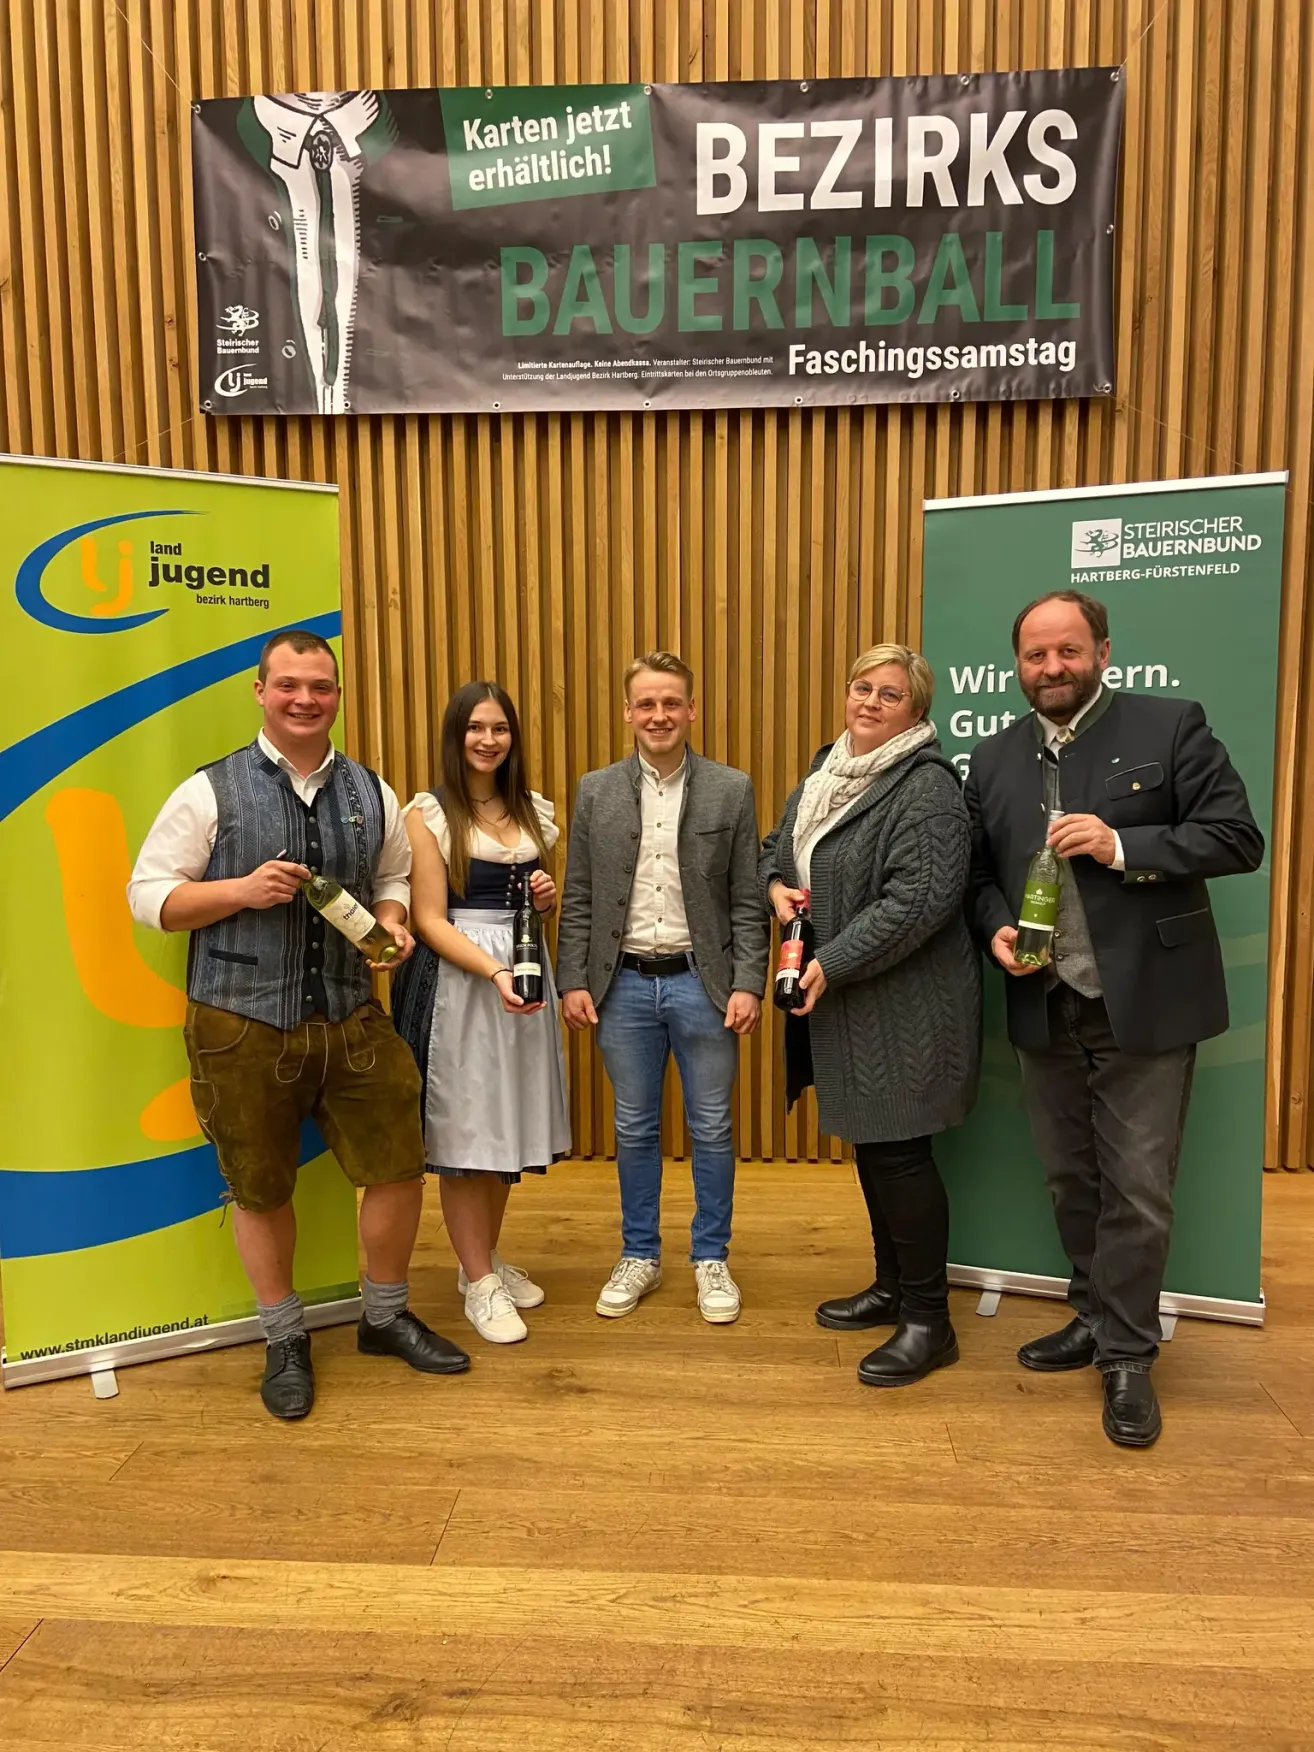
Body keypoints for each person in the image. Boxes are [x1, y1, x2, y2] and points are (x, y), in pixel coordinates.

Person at [127, 629, 470, 1421]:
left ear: (337, 695)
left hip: (353, 1016)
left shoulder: (371, 791)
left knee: (395, 1165)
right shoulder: (208, 791)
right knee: (260, 1184)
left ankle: (382, 1317)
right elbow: (149, 897)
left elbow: (390, 875)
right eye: (289, 685)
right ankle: (284, 1338)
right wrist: (240, 891)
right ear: (260, 691)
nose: (305, 699)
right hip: (239, 1025)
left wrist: (391, 921)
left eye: (319, 686)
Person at [965, 590, 1263, 1447]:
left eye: (1067, 651)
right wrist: (992, 931)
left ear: (1101, 650)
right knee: (1072, 1183)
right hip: (1042, 1002)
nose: (1050, 668)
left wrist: (1124, 846)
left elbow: (1237, 837)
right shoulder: (992, 759)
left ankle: (1130, 1358)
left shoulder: (1172, 727)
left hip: (1149, 1004)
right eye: (1034, 656)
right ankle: (1095, 1315)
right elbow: (980, 877)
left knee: (1138, 1190)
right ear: (1017, 665)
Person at [760, 644, 981, 1387]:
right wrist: (776, 891)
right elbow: (779, 849)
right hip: (847, 1005)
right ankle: (892, 1288)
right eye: (863, 687)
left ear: (916, 712)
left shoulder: (927, 788)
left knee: (899, 1153)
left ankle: (930, 1321)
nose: (871, 703)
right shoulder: (827, 771)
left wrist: (831, 961)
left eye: (891, 695)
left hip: (906, 1006)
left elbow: (919, 899)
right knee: (872, 1145)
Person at [556, 652, 769, 1324]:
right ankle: (640, 1255)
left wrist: (749, 982)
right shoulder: (595, 790)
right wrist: (572, 978)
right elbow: (582, 894)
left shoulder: (731, 789)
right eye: (646, 704)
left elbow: (745, 898)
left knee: (711, 1127)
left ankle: (711, 1258)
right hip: (621, 986)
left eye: (671, 703)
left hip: (701, 987)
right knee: (634, 1127)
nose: (658, 715)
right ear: (628, 712)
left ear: (691, 710)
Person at [392, 682, 569, 1345]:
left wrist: (543, 902)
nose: (488, 740)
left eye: (499, 728)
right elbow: (429, 920)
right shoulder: (429, 813)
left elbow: (528, 906)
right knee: (467, 1129)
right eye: (475, 728)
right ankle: (478, 1280)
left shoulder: (533, 811)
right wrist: (493, 968)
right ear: (455, 736)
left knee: (504, 1123)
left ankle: (481, 1264)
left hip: (523, 974)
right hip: (462, 983)